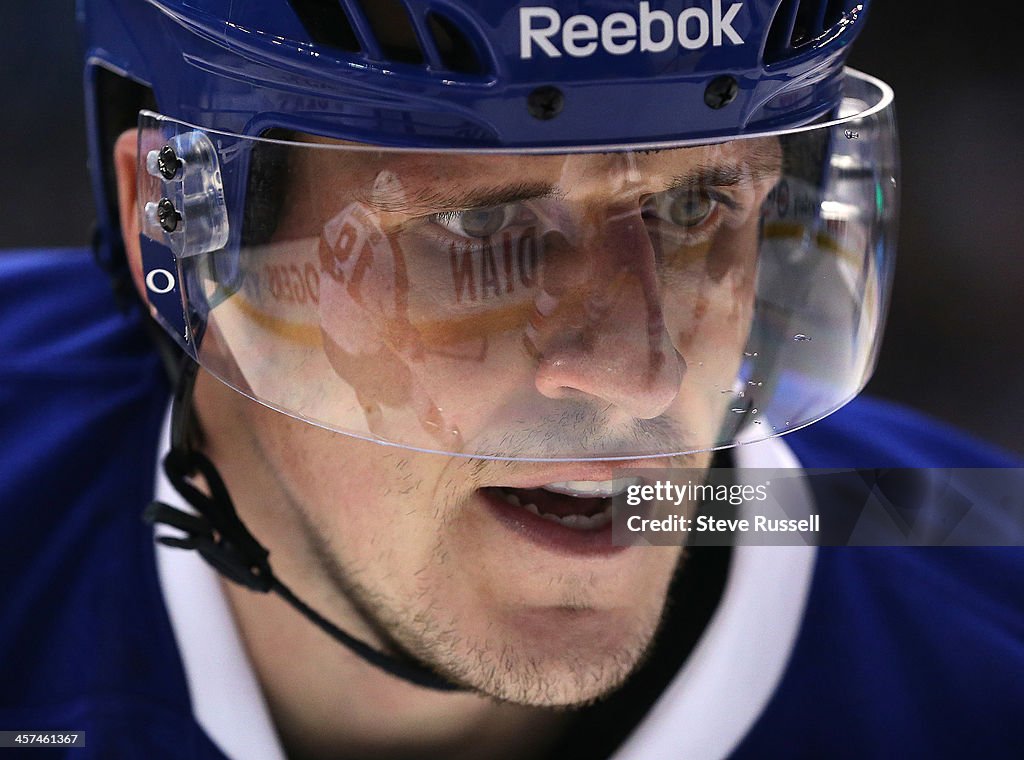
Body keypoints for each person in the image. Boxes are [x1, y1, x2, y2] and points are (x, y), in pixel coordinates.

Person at [1, 0, 1021, 758]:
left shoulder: (985, 610)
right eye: (479, 225)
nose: (640, 373)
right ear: (175, 224)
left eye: (699, 205)